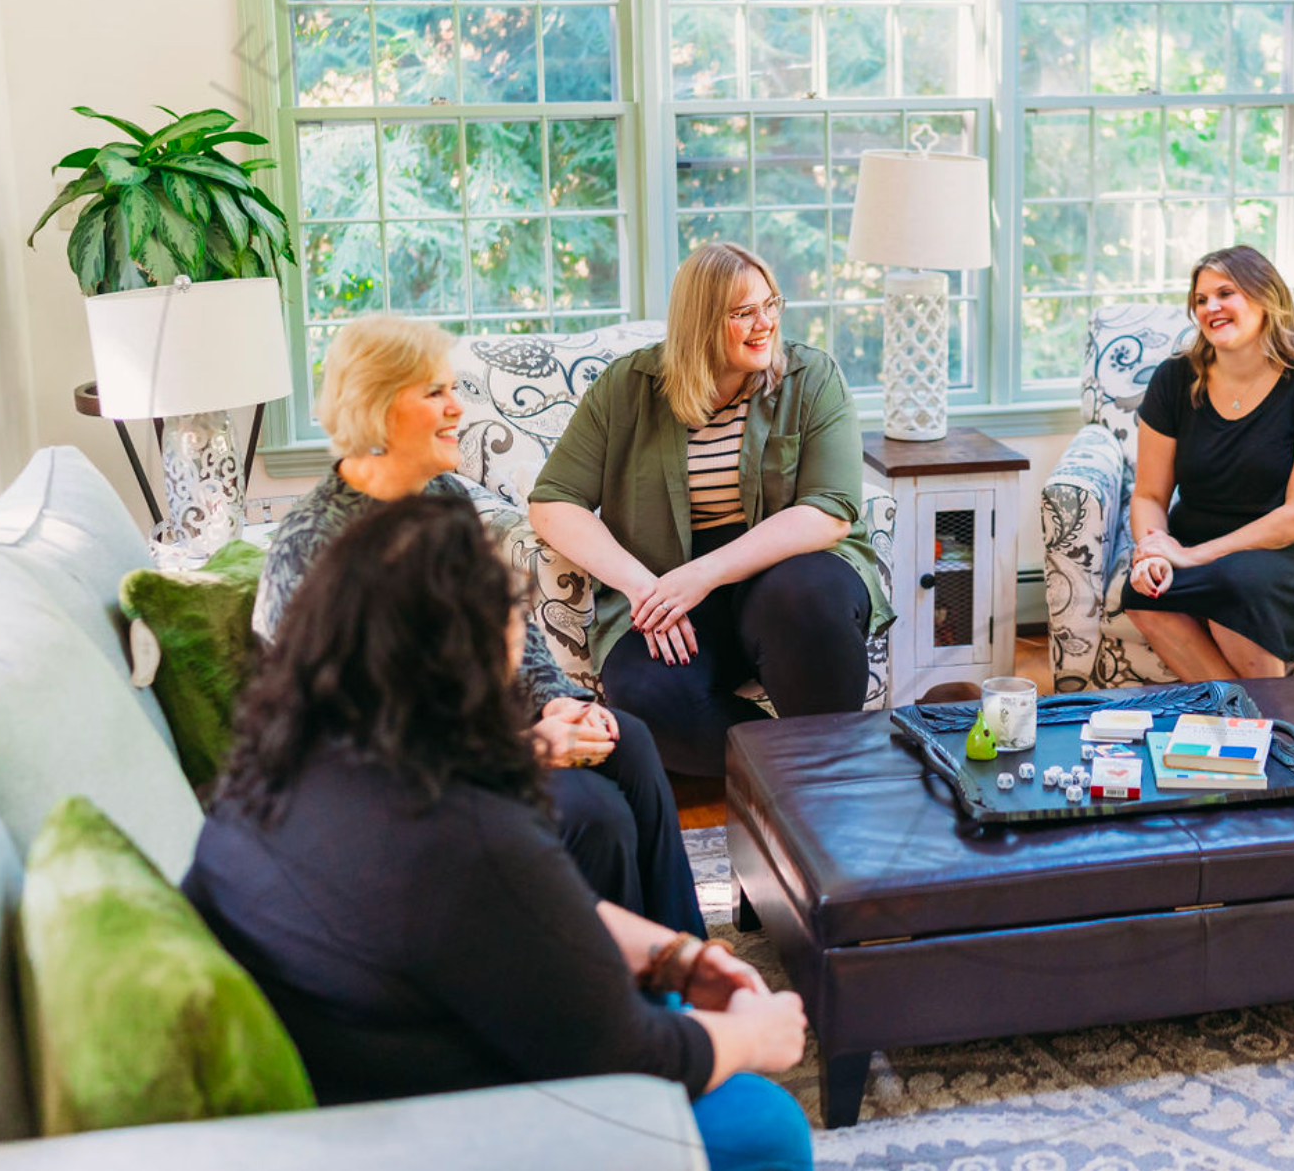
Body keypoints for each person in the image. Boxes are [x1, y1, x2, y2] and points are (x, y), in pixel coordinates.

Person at [188, 497, 813, 1171]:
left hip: (360, 1051)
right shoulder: (467, 833)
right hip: (433, 1114)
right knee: (766, 1123)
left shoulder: (278, 770)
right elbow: (629, 1052)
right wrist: (754, 1038)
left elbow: (516, 916)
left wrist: (672, 953)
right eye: (514, 620)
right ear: (471, 660)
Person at [255, 315, 702, 937]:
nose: (457, 409)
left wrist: (556, 704)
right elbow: (344, 750)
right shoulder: (315, 547)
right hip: (402, 785)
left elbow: (507, 625)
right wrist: (521, 751)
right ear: (378, 408)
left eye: (453, 390)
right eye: (434, 393)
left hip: (475, 732)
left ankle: (683, 962)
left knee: (625, 740)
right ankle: (616, 1004)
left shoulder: (441, 494)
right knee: (594, 815)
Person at [529, 243, 891, 778]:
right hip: (669, 587)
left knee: (804, 599)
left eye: (771, 304)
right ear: (699, 322)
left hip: (786, 569)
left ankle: (825, 782)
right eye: (743, 313)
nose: (764, 324)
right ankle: (806, 773)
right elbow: (554, 501)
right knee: (644, 693)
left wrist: (701, 575)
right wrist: (643, 588)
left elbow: (831, 509)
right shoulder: (627, 388)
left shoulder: (811, 377)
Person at [1121, 245, 1294, 681]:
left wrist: (1191, 557)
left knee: (1234, 584)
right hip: (1203, 543)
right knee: (1142, 594)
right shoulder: (1174, 379)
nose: (1210, 307)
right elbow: (1149, 494)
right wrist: (1152, 553)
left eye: (1225, 293)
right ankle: (1250, 723)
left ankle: (1264, 726)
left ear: (1264, 296)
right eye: (1200, 299)